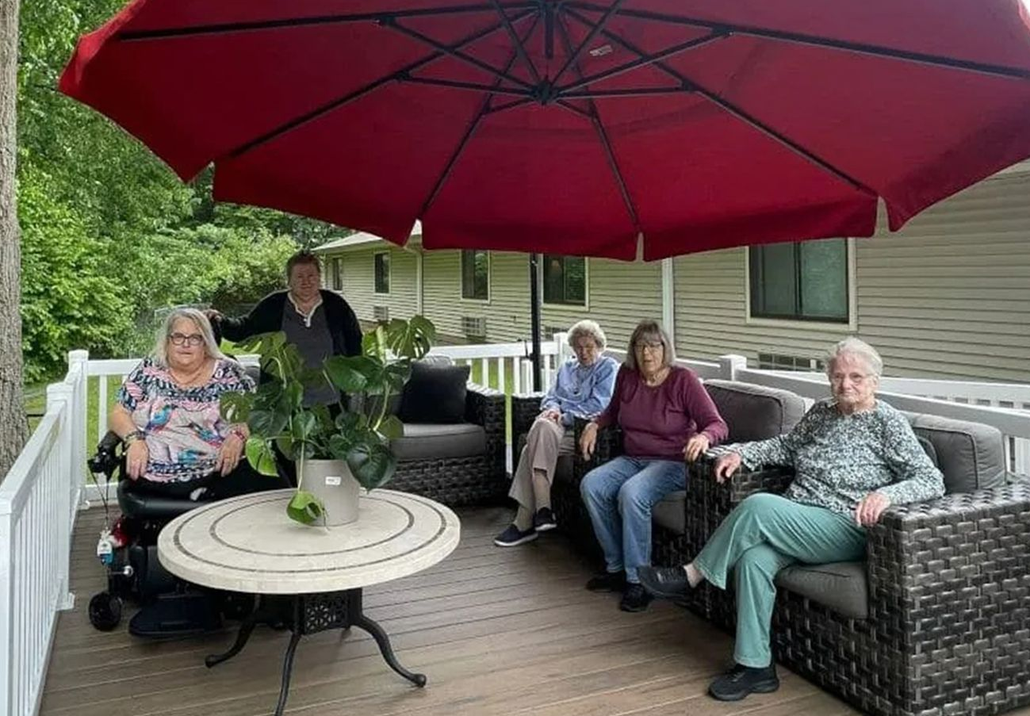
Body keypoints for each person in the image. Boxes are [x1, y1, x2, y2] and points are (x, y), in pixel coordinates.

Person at [638, 337, 945, 702]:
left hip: (844, 525)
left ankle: (690, 576)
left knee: (759, 506)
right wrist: (741, 453)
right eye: (838, 376)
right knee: (753, 561)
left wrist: (886, 494)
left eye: (857, 377)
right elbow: (784, 447)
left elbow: (931, 479)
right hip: (800, 517)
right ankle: (755, 667)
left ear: (875, 381)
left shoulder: (886, 422)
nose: (845, 384)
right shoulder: (821, 413)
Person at [578, 320, 728, 612]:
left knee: (633, 493)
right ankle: (616, 568)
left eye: (654, 345)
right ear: (634, 349)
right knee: (592, 485)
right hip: (633, 457)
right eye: (641, 345)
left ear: (665, 348)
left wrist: (703, 436)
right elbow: (612, 411)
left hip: (671, 462)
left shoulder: (683, 380)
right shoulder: (628, 375)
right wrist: (595, 424)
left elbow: (718, 424)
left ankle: (639, 581)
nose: (648, 353)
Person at [109, 308, 289, 499]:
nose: (185, 344)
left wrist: (238, 435)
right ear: (167, 341)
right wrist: (134, 440)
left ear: (206, 343)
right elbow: (119, 412)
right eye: (178, 336)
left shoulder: (227, 372)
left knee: (275, 489)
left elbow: (253, 414)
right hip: (153, 472)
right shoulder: (149, 370)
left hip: (221, 470)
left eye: (195, 337)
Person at [494, 320, 619, 548]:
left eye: (589, 346)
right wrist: (552, 408)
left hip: (584, 430)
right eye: (579, 347)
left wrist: (563, 416)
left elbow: (598, 405)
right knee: (542, 426)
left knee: (530, 446)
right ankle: (542, 512)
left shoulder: (608, 368)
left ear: (599, 346)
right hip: (557, 426)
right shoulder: (567, 368)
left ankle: (527, 519)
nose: (583, 352)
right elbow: (550, 396)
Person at [206, 250, 363, 406]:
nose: (306, 281)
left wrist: (353, 380)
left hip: (332, 400)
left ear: (319, 278)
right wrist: (221, 320)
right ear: (289, 280)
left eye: (311, 276)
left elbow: (354, 342)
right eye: (299, 276)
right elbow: (243, 329)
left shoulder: (336, 304)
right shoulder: (273, 305)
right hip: (283, 402)